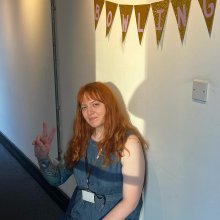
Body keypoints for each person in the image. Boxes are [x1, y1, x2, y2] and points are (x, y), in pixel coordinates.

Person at [32, 82, 148, 220]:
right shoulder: (80, 140)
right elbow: (57, 178)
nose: (89, 111)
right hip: (79, 213)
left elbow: (130, 203)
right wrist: (43, 157)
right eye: (84, 107)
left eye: (95, 104)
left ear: (109, 106)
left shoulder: (128, 143)